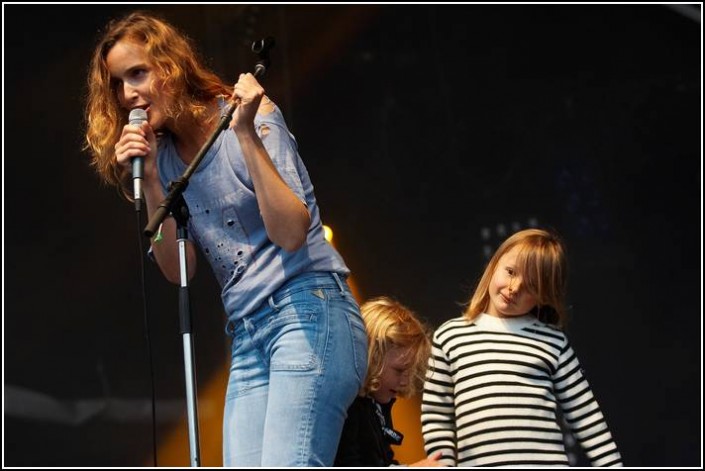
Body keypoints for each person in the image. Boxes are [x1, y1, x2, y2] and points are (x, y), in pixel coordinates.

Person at [84, 11, 367, 467]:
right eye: (118, 83)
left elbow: (292, 233)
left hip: (307, 308)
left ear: (170, 66)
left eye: (137, 73)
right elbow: (181, 271)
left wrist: (246, 135)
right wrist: (153, 178)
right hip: (247, 333)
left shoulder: (249, 117)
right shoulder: (168, 160)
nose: (128, 93)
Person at [422, 228, 623, 467]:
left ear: (544, 296)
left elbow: (587, 416)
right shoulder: (450, 336)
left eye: (531, 285)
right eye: (510, 272)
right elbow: (437, 415)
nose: (514, 287)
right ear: (494, 264)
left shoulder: (552, 342)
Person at [334, 296, 443, 467]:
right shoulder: (349, 408)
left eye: (409, 371)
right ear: (372, 357)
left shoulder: (376, 406)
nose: (405, 382)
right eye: (399, 370)